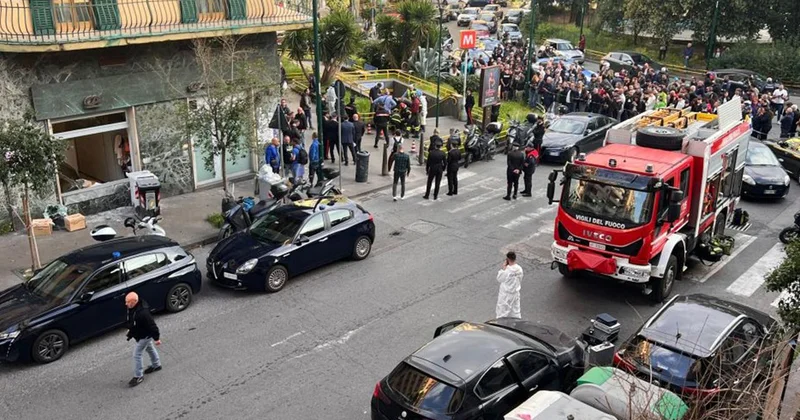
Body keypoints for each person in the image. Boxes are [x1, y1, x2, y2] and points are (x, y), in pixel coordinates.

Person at [125, 292, 161, 387]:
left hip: (144, 336)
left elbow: (152, 326)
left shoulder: (143, 313)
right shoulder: (132, 308)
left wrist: (156, 338)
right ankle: (156, 364)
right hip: (141, 334)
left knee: (137, 354)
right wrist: (130, 332)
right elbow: (134, 323)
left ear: (134, 302)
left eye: (128, 302)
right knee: (149, 348)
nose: (126, 304)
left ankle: (138, 376)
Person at [495, 251, 523, 319]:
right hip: (515, 293)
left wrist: (504, 268)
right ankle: (517, 324)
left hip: (506, 295)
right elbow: (520, 279)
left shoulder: (506, 271)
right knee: (516, 311)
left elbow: (499, 278)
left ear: (507, 259)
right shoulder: (519, 269)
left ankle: (501, 326)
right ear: (515, 259)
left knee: (502, 312)